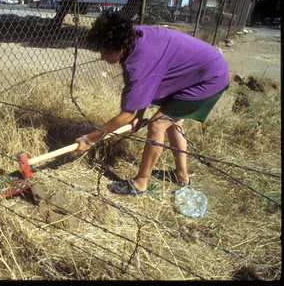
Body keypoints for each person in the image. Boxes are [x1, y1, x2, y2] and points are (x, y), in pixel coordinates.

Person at [75, 11, 229, 196]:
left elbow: (126, 115)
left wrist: (89, 139)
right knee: (173, 123)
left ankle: (140, 184)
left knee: (157, 125)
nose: (101, 57)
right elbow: (145, 87)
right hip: (204, 69)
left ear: (121, 45)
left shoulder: (139, 60)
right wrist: (139, 115)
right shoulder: (133, 36)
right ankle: (182, 176)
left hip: (209, 79)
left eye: (106, 51)